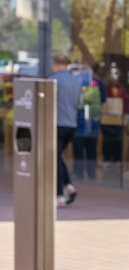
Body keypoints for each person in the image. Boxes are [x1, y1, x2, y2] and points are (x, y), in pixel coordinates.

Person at [50, 53, 84, 206]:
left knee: (54, 159)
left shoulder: (53, 80)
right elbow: (78, 102)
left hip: (56, 124)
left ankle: (59, 195)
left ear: (55, 64)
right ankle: (69, 186)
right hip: (71, 124)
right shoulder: (76, 81)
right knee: (56, 157)